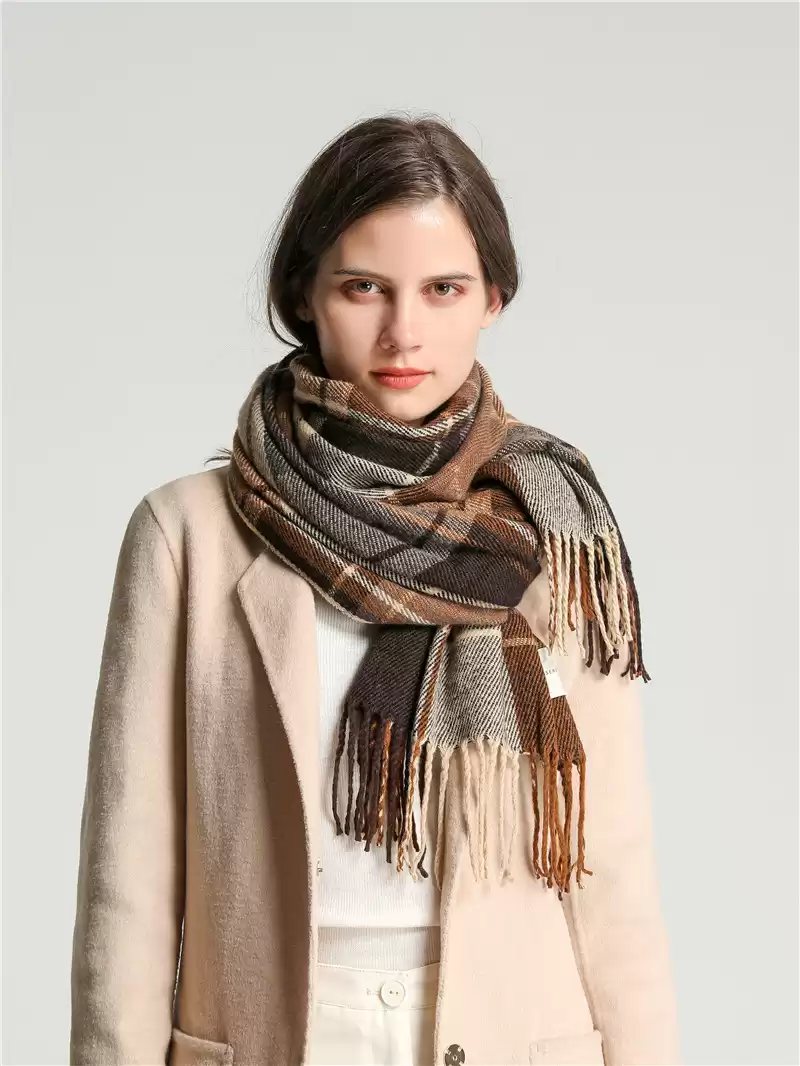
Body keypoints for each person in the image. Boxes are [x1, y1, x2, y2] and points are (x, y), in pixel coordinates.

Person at [69, 112, 681, 1066]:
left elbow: (614, 867)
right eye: (364, 287)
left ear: (494, 298)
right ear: (304, 295)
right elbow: (129, 878)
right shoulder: (186, 536)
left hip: (510, 1033)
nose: (404, 331)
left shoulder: (553, 525)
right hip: (279, 1033)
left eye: (444, 289)